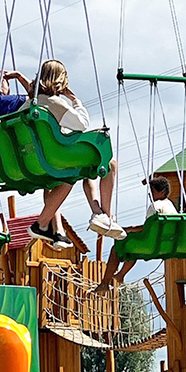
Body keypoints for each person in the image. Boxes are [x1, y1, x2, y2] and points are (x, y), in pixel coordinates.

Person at [27, 60, 124, 246]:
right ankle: (106, 216)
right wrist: (74, 100)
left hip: (34, 162)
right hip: (54, 159)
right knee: (109, 163)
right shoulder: (53, 102)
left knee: (83, 170)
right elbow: (82, 123)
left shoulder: (29, 105)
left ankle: (96, 214)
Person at [96, 178, 178, 292]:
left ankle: (105, 283)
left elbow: (147, 229)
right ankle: (120, 275)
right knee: (131, 246)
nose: (150, 194)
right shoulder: (171, 206)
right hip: (168, 244)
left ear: (162, 192)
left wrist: (129, 229)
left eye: (152, 191)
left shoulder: (156, 206)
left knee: (118, 248)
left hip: (152, 245)